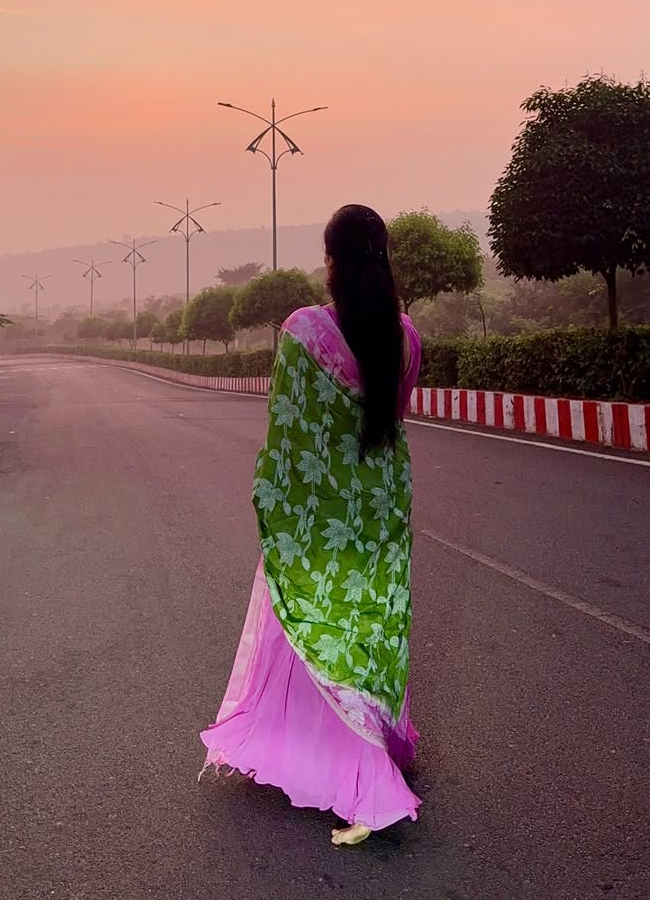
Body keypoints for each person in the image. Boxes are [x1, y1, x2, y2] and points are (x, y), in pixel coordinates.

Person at [200, 204, 422, 846]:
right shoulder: (407, 337)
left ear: (330, 263)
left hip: (321, 515)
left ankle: (353, 769)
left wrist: (274, 497)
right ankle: (370, 739)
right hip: (381, 507)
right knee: (369, 624)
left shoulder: (302, 333)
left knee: (319, 621)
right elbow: (394, 415)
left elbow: (289, 435)